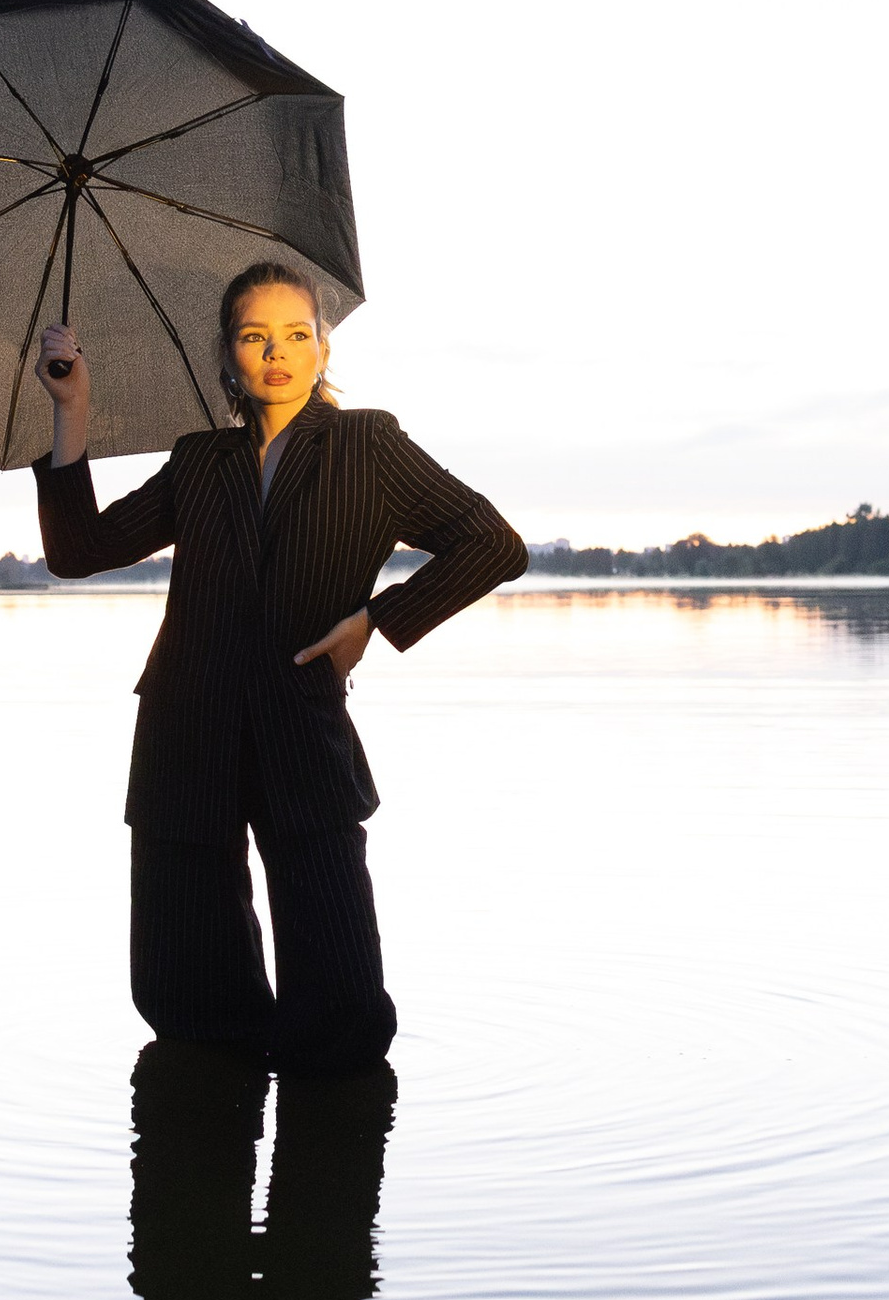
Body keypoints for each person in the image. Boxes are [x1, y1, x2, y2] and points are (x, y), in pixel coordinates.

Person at [33, 260, 526, 1075]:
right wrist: (73, 409)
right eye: (255, 336)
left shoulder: (369, 445)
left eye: (297, 334)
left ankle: (327, 1173)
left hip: (303, 733)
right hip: (185, 740)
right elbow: (77, 551)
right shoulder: (199, 461)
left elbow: (495, 544)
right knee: (192, 1014)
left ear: (325, 348)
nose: (278, 352)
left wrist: (377, 620)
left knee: (342, 1019)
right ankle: (201, 1152)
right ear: (225, 355)